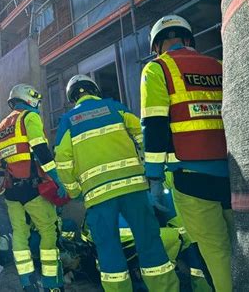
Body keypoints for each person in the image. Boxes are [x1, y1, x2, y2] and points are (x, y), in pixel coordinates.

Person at [55, 75, 179, 292]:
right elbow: (143, 135)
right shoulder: (115, 108)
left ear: (72, 97)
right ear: (94, 90)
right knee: (150, 243)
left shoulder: (68, 121)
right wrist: (150, 169)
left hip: (98, 197)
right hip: (135, 190)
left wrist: (75, 191)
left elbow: (63, 162)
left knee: (109, 253)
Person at [140, 14, 234, 292]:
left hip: (191, 179)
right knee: (248, 247)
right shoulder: (219, 65)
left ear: (157, 45)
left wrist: (154, 179)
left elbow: (154, 125)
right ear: (188, 39)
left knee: (216, 253)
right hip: (235, 175)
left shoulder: (157, 69)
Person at [0, 84, 65, 292]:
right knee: (48, 230)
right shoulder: (28, 118)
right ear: (28, 98)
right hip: (32, 188)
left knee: (19, 235)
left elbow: (0, 165)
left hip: (11, 191)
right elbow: (41, 151)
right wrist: (57, 179)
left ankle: (27, 284)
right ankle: (52, 284)